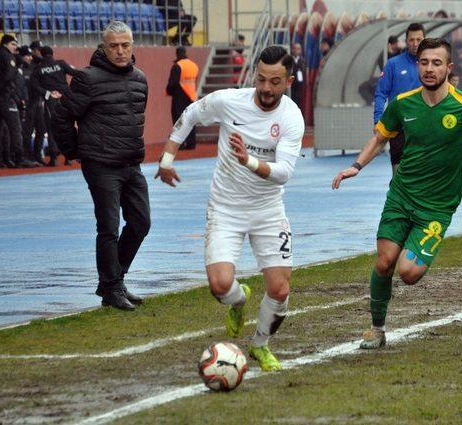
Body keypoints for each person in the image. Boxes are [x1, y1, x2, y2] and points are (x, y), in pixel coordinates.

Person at [332, 37, 462, 349]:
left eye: (437, 63)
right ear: (417, 65)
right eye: (424, 62)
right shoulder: (403, 103)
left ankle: (421, 247)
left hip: (436, 208)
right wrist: (356, 165)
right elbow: (380, 137)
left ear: (448, 68)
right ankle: (376, 329)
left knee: (407, 272)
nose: (429, 68)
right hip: (401, 196)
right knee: (384, 263)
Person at [155, 46, 305, 371]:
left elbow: (283, 173)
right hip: (226, 207)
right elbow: (191, 114)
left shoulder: (291, 117)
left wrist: (248, 160)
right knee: (221, 285)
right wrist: (167, 158)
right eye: (262, 79)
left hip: (267, 209)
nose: (266, 88)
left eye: (275, 82)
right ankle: (239, 301)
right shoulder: (229, 101)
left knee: (280, 289)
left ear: (289, 81)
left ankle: (260, 346)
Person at [52, 21, 151, 311]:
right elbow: (61, 116)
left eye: (125, 45)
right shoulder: (86, 79)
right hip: (101, 165)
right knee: (108, 227)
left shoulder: (140, 78)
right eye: (113, 46)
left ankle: (113, 280)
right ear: (103, 47)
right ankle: (111, 289)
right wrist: (76, 151)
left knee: (141, 223)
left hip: (132, 163)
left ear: (132, 46)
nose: (120, 51)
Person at [0, 34, 36, 169]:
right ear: (6, 44)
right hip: (4, 98)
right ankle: (19, 159)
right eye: (13, 44)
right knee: (15, 128)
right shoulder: (8, 57)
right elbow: (9, 77)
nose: (15, 48)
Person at [373, 23, 425, 175]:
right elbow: (381, 93)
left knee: (424, 176)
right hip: (399, 129)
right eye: (411, 40)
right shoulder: (393, 64)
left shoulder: (430, 65)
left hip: (425, 128)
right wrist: (377, 120)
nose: (415, 43)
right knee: (398, 176)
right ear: (406, 41)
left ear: (425, 39)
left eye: (419, 39)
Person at [31, 45, 80, 166]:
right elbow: (76, 73)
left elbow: (34, 85)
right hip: (65, 97)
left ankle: (53, 158)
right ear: (52, 53)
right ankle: (69, 157)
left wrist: (48, 93)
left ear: (41, 54)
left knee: (52, 128)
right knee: (69, 126)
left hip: (51, 100)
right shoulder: (61, 63)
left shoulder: (38, 68)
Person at [166, 46, 199, 150]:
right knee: (191, 119)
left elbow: (172, 83)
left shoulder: (177, 66)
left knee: (178, 120)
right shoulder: (194, 65)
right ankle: (191, 143)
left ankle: (180, 143)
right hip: (192, 96)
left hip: (179, 96)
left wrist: (169, 91)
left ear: (177, 54)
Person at [19, 45, 46, 165]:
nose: (29, 58)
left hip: (38, 104)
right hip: (27, 105)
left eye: (30, 55)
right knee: (27, 132)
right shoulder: (19, 70)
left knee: (41, 130)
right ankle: (28, 156)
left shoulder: (35, 68)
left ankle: (37, 155)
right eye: (27, 55)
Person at [290, 42, 306, 109]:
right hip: (291, 85)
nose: (297, 50)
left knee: (298, 102)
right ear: (292, 49)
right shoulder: (289, 60)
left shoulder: (302, 61)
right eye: (295, 49)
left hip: (299, 86)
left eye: (298, 49)